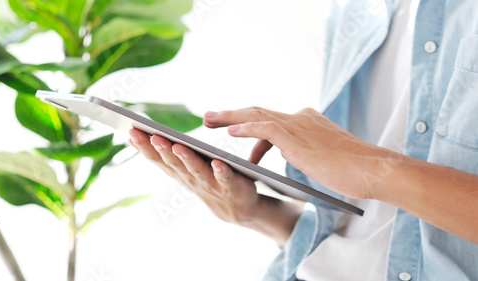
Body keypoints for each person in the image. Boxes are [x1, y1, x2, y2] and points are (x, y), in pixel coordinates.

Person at [128, 0, 478, 280]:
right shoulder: (355, 10)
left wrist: (375, 170)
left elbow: (369, 175)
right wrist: (256, 212)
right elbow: (370, 229)